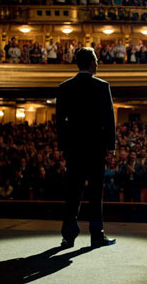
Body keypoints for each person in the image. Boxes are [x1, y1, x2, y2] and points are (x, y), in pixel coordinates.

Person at [56, 47, 116, 249]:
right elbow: (109, 118)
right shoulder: (102, 86)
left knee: (73, 191)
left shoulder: (65, 87)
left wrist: (63, 146)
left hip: (73, 148)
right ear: (91, 63)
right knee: (95, 193)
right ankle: (97, 234)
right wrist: (111, 146)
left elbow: (60, 121)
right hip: (96, 148)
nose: (98, 63)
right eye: (97, 60)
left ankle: (68, 235)